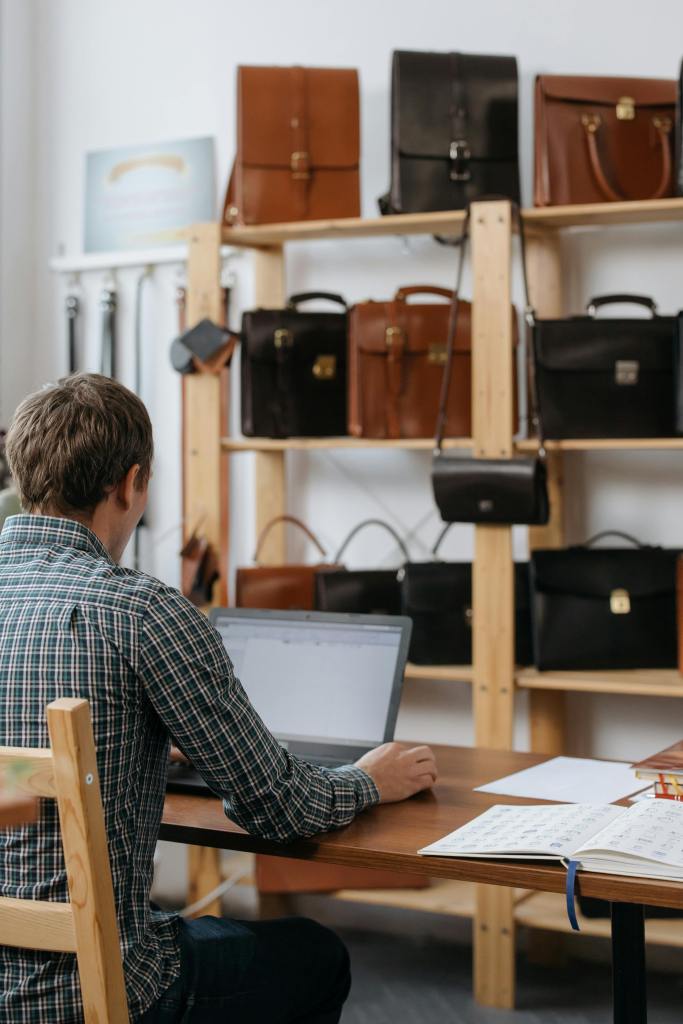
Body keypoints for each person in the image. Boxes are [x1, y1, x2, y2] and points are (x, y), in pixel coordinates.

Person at [0, 373, 437, 1023]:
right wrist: (367, 780)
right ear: (132, 483)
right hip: (87, 994)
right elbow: (276, 806)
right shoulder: (141, 613)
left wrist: (143, 746)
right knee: (315, 956)